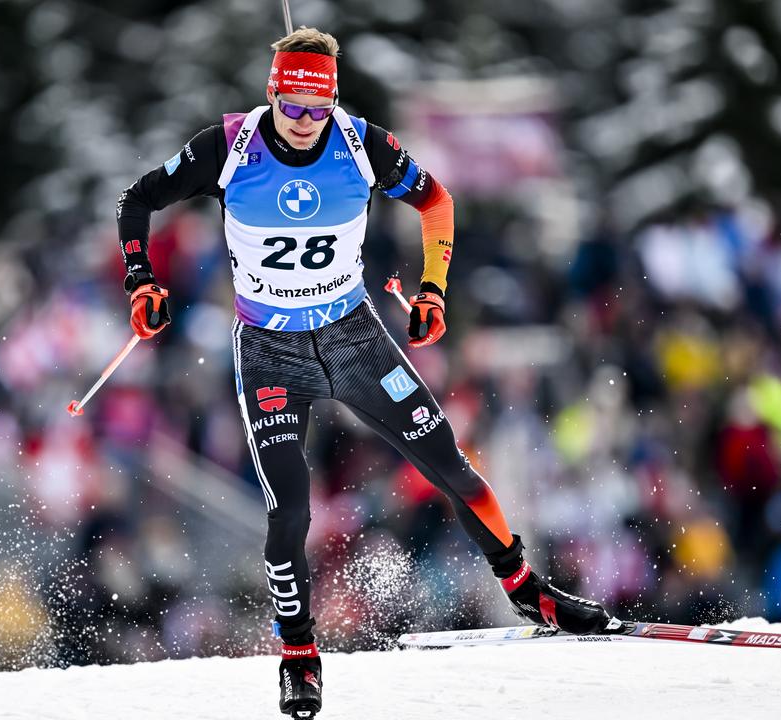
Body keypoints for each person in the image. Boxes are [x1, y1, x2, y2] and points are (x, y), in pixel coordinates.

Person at [116, 27, 611, 719]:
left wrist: (434, 288)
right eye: (293, 108)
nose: (305, 123)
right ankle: (298, 656)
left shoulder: (360, 144)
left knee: (452, 468)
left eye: (319, 110)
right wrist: (143, 282)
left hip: (354, 339)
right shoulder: (227, 147)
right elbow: (136, 201)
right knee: (290, 510)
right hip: (270, 351)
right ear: (272, 93)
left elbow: (436, 201)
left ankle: (532, 591)